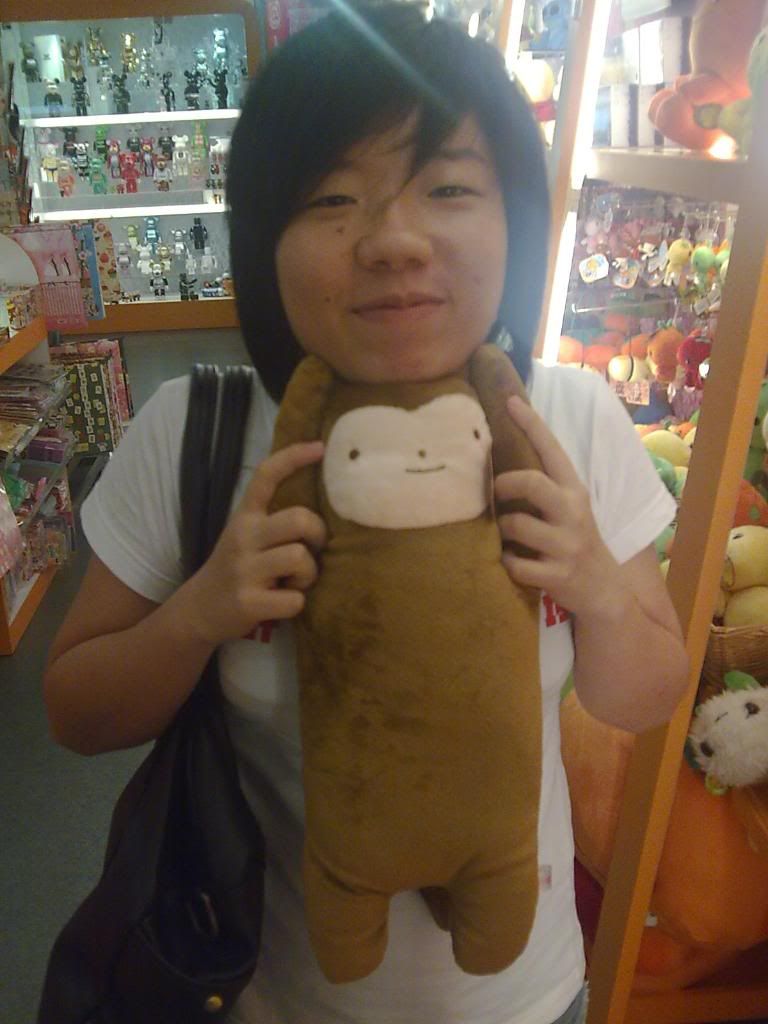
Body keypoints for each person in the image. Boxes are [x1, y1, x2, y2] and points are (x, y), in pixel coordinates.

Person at [43, 5, 689, 1023]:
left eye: (449, 188)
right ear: (267, 237)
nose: (393, 240)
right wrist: (204, 610)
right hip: (270, 991)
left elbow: (645, 698)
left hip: (528, 994)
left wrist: (596, 586)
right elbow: (75, 713)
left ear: (515, 218)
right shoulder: (196, 430)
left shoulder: (564, 418)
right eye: (333, 198)